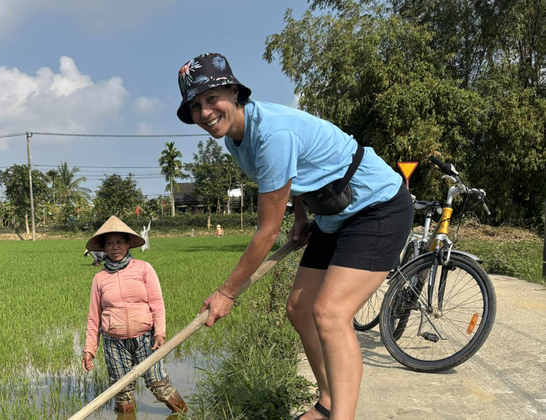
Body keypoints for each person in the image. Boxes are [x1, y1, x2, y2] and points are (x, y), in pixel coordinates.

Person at [176, 53, 413, 420]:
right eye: (195, 106)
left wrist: (226, 293)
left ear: (234, 93)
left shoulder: (272, 134)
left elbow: (267, 231)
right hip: (333, 215)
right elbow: (297, 172)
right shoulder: (235, 140)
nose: (205, 112)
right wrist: (300, 216)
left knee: (330, 313)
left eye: (211, 99)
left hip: (375, 207)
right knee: (300, 309)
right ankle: (327, 402)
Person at [81, 216, 188, 415]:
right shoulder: (100, 278)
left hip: (145, 338)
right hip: (114, 344)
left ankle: (186, 416)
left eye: (119, 242)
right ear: (104, 248)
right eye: (109, 243)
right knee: (122, 394)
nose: (115, 247)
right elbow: (94, 317)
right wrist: (89, 350)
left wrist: (160, 332)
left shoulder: (143, 268)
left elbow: (157, 304)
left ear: (128, 243)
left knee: (160, 386)